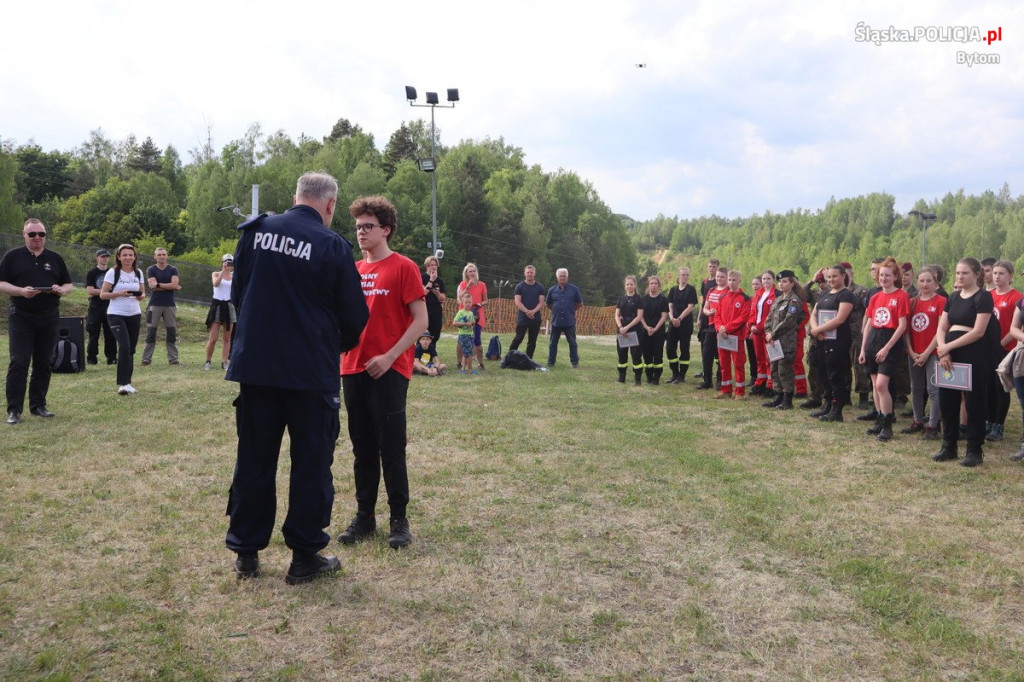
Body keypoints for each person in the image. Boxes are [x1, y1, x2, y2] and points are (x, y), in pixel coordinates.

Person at [225, 171, 368, 584]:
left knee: (254, 458)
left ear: (296, 197)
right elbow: (355, 318)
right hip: (309, 374)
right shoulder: (332, 245)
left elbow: (241, 295)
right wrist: (329, 346)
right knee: (310, 463)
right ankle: (304, 556)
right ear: (330, 205)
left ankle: (246, 552)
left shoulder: (256, 232)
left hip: (257, 369)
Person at [340, 195, 427, 550]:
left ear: (386, 229)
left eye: (368, 226)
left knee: (391, 447)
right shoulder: (352, 270)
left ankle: (398, 519)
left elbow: (420, 320)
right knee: (362, 447)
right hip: (352, 367)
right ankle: (364, 517)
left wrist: (390, 357)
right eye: (358, 226)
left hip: (389, 370)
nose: (361, 232)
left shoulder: (404, 267)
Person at [0, 219, 73, 424]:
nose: (37, 238)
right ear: (24, 234)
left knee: (43, 361)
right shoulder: (12, 257)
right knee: (20, 361)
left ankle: (38, 406)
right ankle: (14, 410)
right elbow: (1, 283)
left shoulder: (55, 258)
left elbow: (68, 284)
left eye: (41, 234)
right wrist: (21, 292)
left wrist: (62, 290)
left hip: (49, 315)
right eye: (32, 234)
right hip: (22, 316)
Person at [932, 257, 1000, 467]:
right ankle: (949, 446)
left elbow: (978, 332)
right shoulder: (952, 297)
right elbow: (942, 327)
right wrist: (943, 351)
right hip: (948, 355)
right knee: (948, 400)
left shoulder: (983, 297)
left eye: (965, 273)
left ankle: (974, 450)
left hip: (973, 354)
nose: (960, 277)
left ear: (976, 275)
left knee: (974, 403)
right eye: (957, 273)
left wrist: (948, 347)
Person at [859, 258, 910, 441]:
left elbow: (902, 325)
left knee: (882, 384)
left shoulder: (901, 296)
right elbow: (870, 324)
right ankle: (879, 421)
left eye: (887, 275)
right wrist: (863, 349)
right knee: (874, 384)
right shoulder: (875, 297)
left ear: (895, 276)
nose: (883, 278)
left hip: (890, 342)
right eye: (881, 275)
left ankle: (888, 424)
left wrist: (887, 348)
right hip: (873, 341)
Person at [808, 265, 857, 422]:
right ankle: (827, 403)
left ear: (843, 276)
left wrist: (818, 330)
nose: (831, 280)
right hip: (822, 339)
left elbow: (840, 319)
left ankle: (837, 409)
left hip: (838, 341)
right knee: (822, 372)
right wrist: (816, 330)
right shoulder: (824, 293)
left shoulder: (846, 295)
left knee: (835, 375)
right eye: (829, 277)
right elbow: (814, 313)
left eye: (834, 276)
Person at [902, 266, 946, 439]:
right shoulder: (912, 302)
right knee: (916, 388)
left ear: (936, 283)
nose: (925, 284)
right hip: (914, 352)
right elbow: (906, 330)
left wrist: (927, 352)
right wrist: (911, 351)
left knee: (933, 389)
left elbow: (940, 330)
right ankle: (917, 420)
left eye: (929, 281)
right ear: (917, 281)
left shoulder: (941, 301)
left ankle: (933, 426)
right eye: (922, 280)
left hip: (933, 352)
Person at [100, 244, 146, 395]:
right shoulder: (113, 273)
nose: (128, 258)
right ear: (119, 257)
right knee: (124, 347)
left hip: (134, 314)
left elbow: (143, 294)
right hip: (116, 314)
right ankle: (122, 384)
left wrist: (140, 296)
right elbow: (103, 294)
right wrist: (119, 294)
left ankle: (128, 382)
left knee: (131, 349)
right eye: (124, 255)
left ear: (134, 257)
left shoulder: (138, 273)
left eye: (130, 255)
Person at [984, 260, 1022, 442]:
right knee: (988, 387)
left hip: (1006, 349)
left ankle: (999, 425)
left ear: (1010, 276)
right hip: (988, 349)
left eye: (1001, 273)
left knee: (1001, 388)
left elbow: (1016, 327)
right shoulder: (988, 295)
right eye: (995, 273)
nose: (997, 276)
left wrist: (1001, 343)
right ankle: (989, 421)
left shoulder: (1015, 297)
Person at [762, 270, 806, 410]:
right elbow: (769, 318)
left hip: (786, 342)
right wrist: (768, 332)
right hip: (774, 341)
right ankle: (778, 396)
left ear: (792, 283)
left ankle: (787, 400)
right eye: (780, 281)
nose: (781, 284)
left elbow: (790, 321)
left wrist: (773, 334)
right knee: (774, 369)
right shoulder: (778, 299)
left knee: (784, 370)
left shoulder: (794, 300)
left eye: (785, 281)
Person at [142, 247, 181, 366]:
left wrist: (158, 285)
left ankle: (173, 360)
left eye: (164, 254)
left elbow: (173, 284)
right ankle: (146, 360)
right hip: (154, 305)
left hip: (170, 305)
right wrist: (170, 286)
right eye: (159, 255)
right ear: (155, 257)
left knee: (171, 332)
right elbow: (152, 286)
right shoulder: (151, 269)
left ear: (167, 256)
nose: (162, 257)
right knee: (150, 332)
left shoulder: (173, 269)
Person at [715, 270, 750, 399]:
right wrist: (719, 328)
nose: (731, 282)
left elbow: (743, 318)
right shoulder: (723, 297)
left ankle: (740, 392)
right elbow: (717, 315)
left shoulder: (745, 298)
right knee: (724, 364)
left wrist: (727, 328)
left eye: (734, 280)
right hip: (722, 336)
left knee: (738, 364)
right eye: (729, 280)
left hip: (736, 337)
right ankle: (726, 390)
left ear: (739, 281)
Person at [697, 266, 728, 390]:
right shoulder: (711, 291)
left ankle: (720, 381)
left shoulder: (728, 291)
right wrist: (708, 312)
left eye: (722, 277)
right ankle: (707, 381)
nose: (719, 278)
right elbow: (705, 307)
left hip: (722, 328)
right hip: (710, 326)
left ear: (726, 278)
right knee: (706, 354)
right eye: (718, 276)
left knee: (721, 356)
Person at [665, 267, 697, 383]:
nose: (685, 277)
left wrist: (679, 318)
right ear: (678, 276)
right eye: (683, 275)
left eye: (687, 275)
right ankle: (674, 373)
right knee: (670, 348)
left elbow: (690, 307)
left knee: (684, 349)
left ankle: (681, 375)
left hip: (685, 323)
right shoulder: (673, 290)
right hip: (673, 322)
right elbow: (670, 305)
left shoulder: (691, 289)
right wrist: (672, 317)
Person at [546, 268, 584, 368]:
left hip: (569, 321)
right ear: (557, 277)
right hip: (556, 321)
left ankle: (575, 363)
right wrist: (556, 310)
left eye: (564, 276)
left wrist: (571, 311)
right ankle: (551, 362)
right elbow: (549, 304)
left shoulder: (574, 289)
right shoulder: (552, 290)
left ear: (567, 277)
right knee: (553, 344)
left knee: (572, 343)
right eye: (560, 276)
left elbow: (580, 303)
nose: (562, 277)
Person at [85, 248, 117, 366]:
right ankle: (91, 357)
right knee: (93, 332)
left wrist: (108, 294)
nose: (105, 258)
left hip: (110, 305)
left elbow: (116, 289)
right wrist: (105, 292)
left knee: (111, 332)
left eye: (107, 256)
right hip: (96, 305)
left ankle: (112, 358)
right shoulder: (92, 273)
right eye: (102, 256)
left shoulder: (113, 272)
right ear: (97, 258)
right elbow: (90, 290)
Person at [204, 255, 235, 371]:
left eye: (231, 262)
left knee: (227, 338)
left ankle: (224, 362)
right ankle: (208, 361)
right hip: (217, 305)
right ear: (222, 262)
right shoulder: (216, 273)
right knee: (213, 338)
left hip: (229, 305)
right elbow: (216, 284)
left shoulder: (235, 276)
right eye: (226, 261)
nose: (228, 264)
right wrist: (223, 271)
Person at [749, 270, 777, 396]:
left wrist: (760, 327)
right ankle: (760, 382)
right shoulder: (757, 294)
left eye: (769, 279)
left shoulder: (776, 295)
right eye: (764, 279)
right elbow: (752, 312)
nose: (766, 281)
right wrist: (751, 325)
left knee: (769, 358)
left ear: (773, 280)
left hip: (768, 331)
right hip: (756, 331)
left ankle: (771, 385)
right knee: (759, 358)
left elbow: (772, 316)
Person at [509, 265, 546, 359]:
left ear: (535, 273)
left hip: (535, 317)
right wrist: (527, 311)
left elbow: (541, 302)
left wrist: (533, 311)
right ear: (524, 273)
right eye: (528, 272)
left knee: (532, 340)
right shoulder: (519, 286)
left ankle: (529, 359)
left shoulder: (540, 287)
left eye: (531, 272)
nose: (529, 274)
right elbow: (517, 302)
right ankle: (510, 357)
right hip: (523, 317)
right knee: (518, 338)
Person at [456, 263, 488, 371]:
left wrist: (478, 304)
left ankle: (480, 363)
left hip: (477, 315)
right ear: (466, 273)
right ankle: (459, 363)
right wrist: (468, 287)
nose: (472, 273)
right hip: (464, 315)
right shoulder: (462, 284)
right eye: (470, 271)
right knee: (461, 339)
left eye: (474, 271)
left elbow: (486, 301)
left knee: (477, 339)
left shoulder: (482, 284)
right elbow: (459, 298)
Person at [615, 275, 645, 385]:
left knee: (636, 355)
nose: (629, 286)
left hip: (635, 330)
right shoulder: (621, 299)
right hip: (622, 330)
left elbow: (639, 316)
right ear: (625, 286)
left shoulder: (639, 299)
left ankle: (637, 379)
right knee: (622, 354)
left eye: (631, 284)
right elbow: (617, 315)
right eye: (627, 284)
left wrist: (627, 327)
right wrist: (620, 327)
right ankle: (621, 378)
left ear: (635, 285)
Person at [639, 275, 669, 385]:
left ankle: (656, 379)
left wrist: (655, 329)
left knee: (657, 355)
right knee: (646, 355)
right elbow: (640, 316)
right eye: (651, 283)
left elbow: (664, 316)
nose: (653, 285)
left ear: (659, 285)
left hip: (658, 331)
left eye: (656, 283)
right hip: (645, 331)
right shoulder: (643, 299)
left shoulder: (663, 299)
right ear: (648, 285)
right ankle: (649, 377)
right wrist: (646, 327)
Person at [421, 256, 446, 356]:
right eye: (431, 265)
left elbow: (443, 298)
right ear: (427, 266)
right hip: (424, 309)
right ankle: (419, 356)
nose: (434, 267)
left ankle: (431, 356)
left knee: (435, 334)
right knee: (422, 334)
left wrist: (438, 294)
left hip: (436, 310)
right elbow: (423, 292)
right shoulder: (421, 277)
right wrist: (431, 280)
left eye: (435, 265)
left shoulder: (440, 281)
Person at [453, 291, 478, 374]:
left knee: (465, 353)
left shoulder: (471, 313)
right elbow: (454, 323)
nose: (468, 304)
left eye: (469, 302)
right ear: (463, 303)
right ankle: (470, 369)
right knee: (470, 354)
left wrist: (472, 322)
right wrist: (464, 323)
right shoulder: (461, 312)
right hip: (464, 335)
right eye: (466, 302)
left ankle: (463, 369)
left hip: (470, 335)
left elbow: (473, 322)